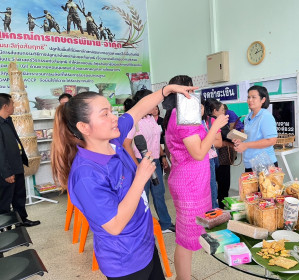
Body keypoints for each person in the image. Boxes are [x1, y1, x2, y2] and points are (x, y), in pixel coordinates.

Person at [51, 85, 195, 279]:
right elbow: (114, 225)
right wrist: (140, 178)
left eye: (112, 111)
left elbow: (138, 109)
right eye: (105, 114)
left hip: (145, 245)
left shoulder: (114, 141)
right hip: (125, 261)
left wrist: (165, 91)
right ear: (83, 127)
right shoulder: (86, 175)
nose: (114, 118)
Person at [163, 75, 228, 280]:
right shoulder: (181, 114)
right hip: (189, 183)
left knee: (188, 235)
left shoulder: (178, 113)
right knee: (185, 238)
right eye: (191, 90)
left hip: (194, 180)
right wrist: (216, 126)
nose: (193, 95)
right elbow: (199, 152)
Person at [123, 89, 175, 234]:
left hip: (155, 160)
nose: (155, 104)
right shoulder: (134, 121)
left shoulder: (151, 118)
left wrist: (162, 156)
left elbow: (156, 140)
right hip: (140, 161)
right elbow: (126, 144)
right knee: (142, 196)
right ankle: (141, 227)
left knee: (159, 192)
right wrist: (137, 165)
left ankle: (165, 223)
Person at [0, 93, 40, 228]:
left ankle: (21, 221)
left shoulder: (8, 120)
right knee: (4, 201)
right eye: (12, 104)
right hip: (6, 170)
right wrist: (6, 173)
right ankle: (4, 228)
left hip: (16, 164)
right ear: (5, 106)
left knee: (19, 196)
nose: (14, 106)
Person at [233, 85, 278, 172]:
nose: (250, 100)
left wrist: (245, 145)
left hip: (265, 164)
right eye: (249, 97)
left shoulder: (265, 116)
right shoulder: (248, 117)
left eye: (254, 97)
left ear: (263, 100)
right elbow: (250, 137)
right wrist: (240, 141)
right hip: (249, 163)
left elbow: (271, 140)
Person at [205, 98, 232, 208]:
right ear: (215, 111)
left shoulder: (205, 121)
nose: (224, 113)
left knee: (213, 186)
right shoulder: (215, 122)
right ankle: (221, 209)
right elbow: (226, 138)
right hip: (221, 158)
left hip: (211, 159)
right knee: (223, 186)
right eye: (221, 110)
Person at [202, 98, 222, 209]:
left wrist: (201, 142)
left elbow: (219, 142)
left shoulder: (210, 121)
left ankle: (215, 217)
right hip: (193, 162)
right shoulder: (188, 123)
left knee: (211, 190)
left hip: (208, 159)